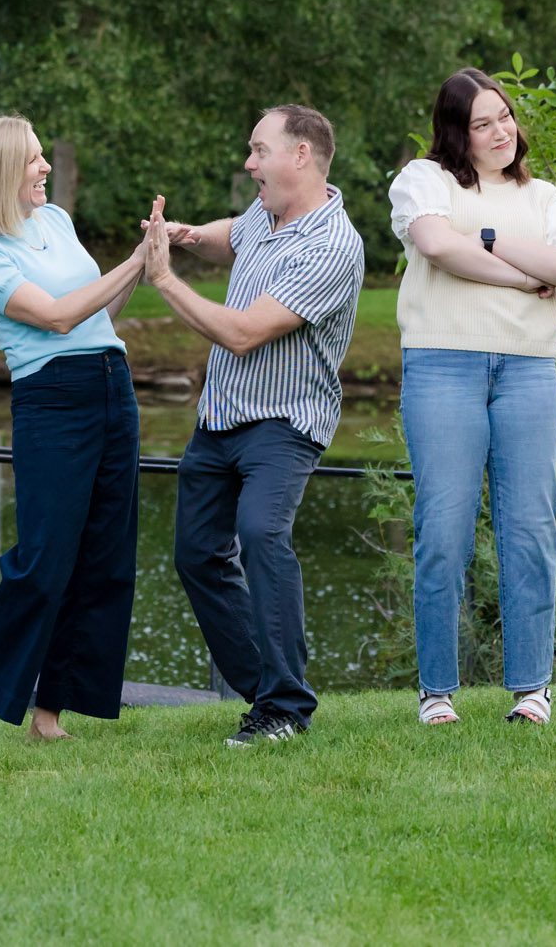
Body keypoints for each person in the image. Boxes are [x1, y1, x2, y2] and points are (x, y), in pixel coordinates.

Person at [147, 105, 365, 746]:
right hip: (220, 415)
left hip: (284, 422)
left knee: (261, 536)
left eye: (258, 150)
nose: (248, 163)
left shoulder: (332, 245)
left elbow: (243, 333)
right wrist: (190, 236)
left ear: (301, 155)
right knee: (196, 554)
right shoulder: (267, 213)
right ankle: (266, 693)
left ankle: (285, 708)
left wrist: (164, 278)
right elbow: (234, 236)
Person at [0, 117, 152, 747]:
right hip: (53, 399)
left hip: (112, 384)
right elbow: (56, 318)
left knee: (103, 558)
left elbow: (96, 314)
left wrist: (142, 265)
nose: (45, 167)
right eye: (33, 158)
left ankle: (50, 713)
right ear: (2, 169)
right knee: (42, 560)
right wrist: (134, 260)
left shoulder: (55, 220)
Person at [389, 69, 556, 728]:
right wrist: (523, 274)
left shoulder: (545, 197)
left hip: (529, 371)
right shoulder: (424, 180)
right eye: (482, 123)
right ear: (457, 132)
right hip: (442, 364)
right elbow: (435, 245)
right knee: (443, 530)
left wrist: (487, 239)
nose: (501, 131)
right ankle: (436, 691)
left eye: (504, 116)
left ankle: (532, 689)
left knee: (530, 531)